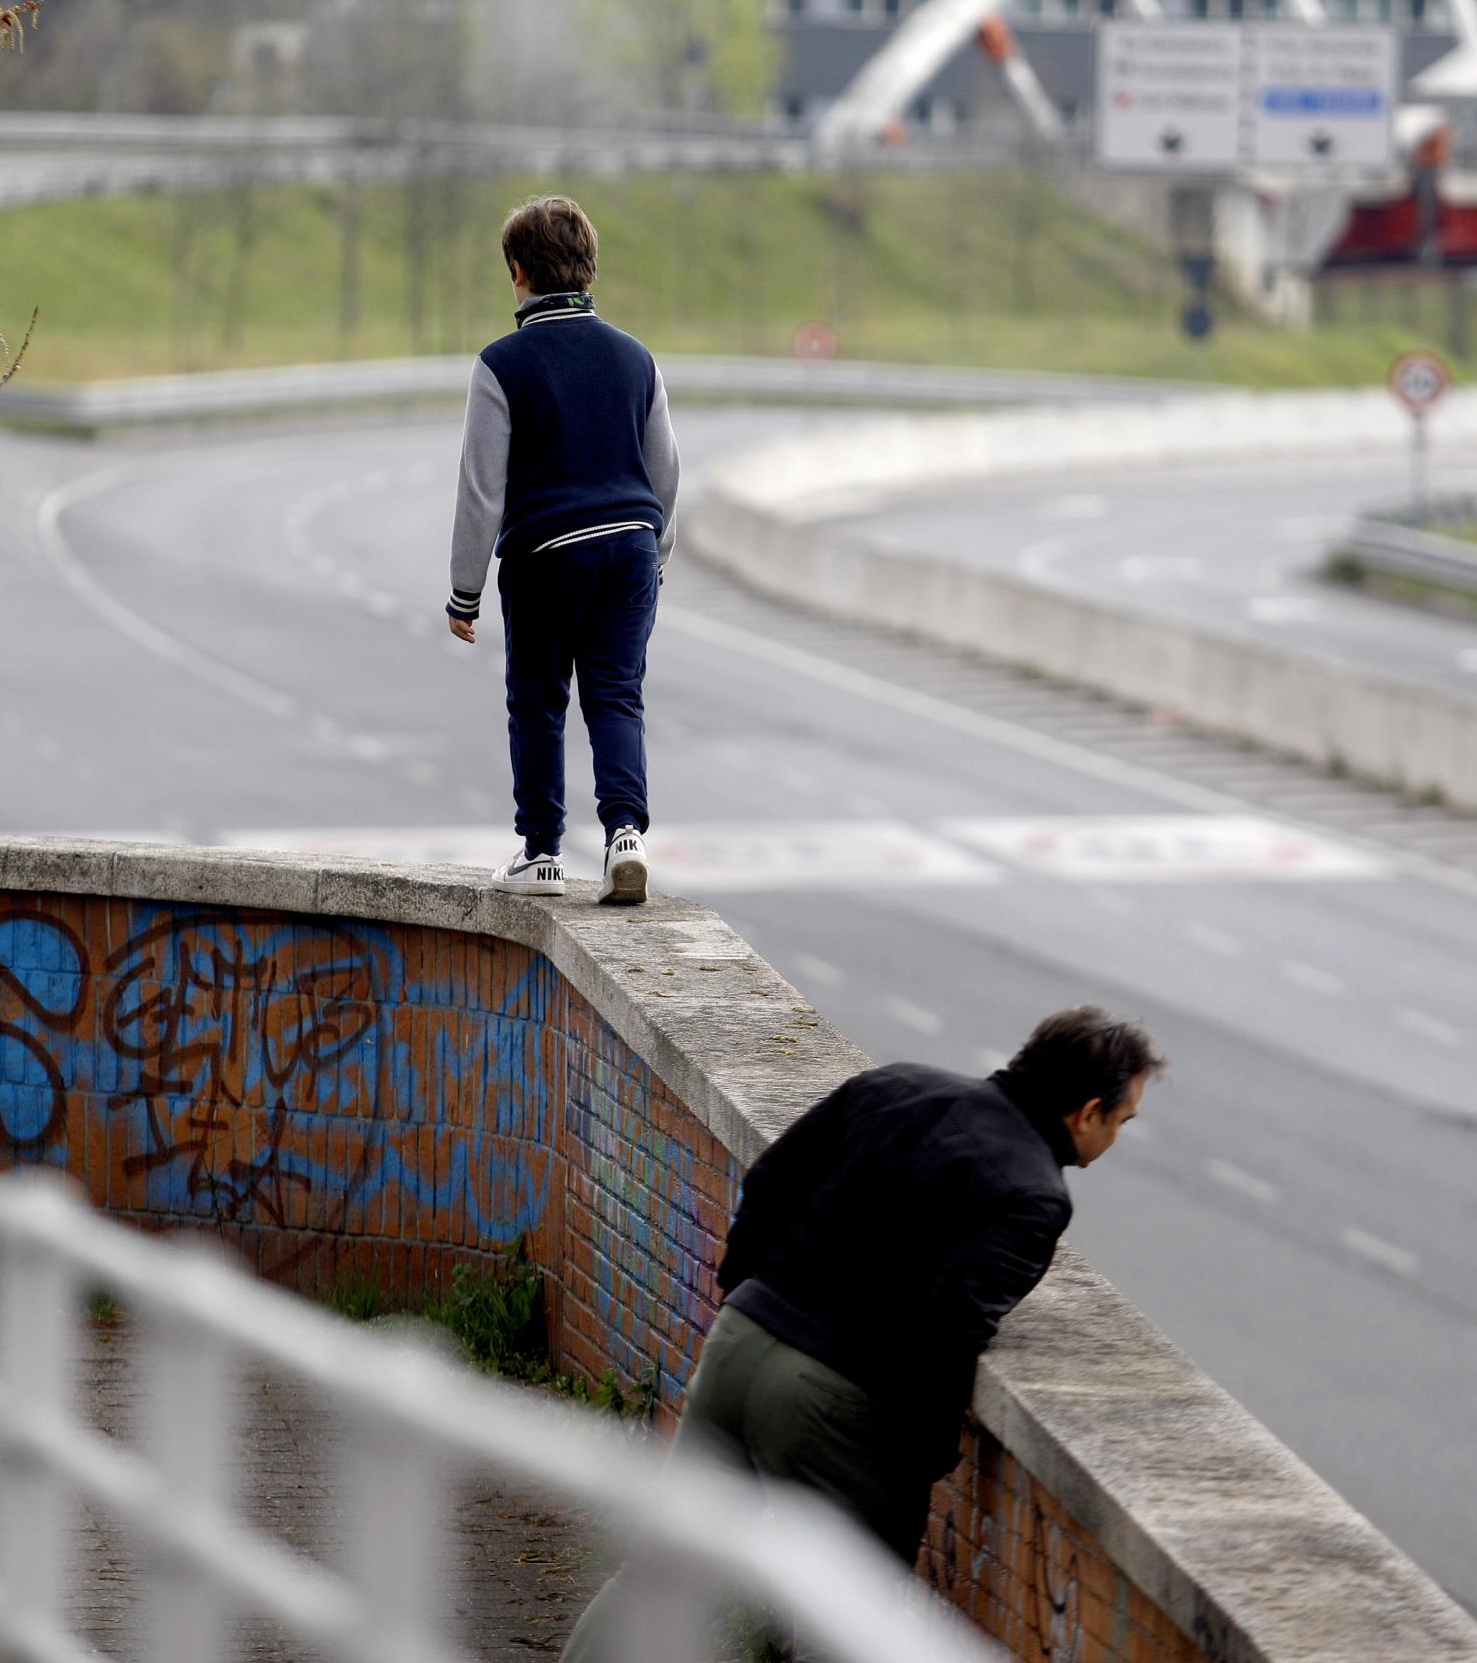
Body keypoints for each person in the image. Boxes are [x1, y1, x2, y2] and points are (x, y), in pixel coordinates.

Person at [562, 1007, 1160, 1657]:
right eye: (1123, 1121)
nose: (1116, 1137)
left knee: (660, 1572)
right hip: (835, 1401)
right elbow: (950, 1330)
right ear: (1088, 1111)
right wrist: (923, 1459)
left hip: (742, 1340)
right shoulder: (1034, 1195)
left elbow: (768, 1182)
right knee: (843, 1625)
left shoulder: (895, 1086)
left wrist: (744, 1298)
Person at [446, 195, 680, 904]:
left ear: (518, 272)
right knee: (615, 696)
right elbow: (665, 468)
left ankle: (542, 853)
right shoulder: (636, 358)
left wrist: (465, 593)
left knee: (540, 700)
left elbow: (481, 490)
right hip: (631, 547)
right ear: (589, 270)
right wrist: (655, 556)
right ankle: (625, 837)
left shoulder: (501, 365)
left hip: (545, 554)